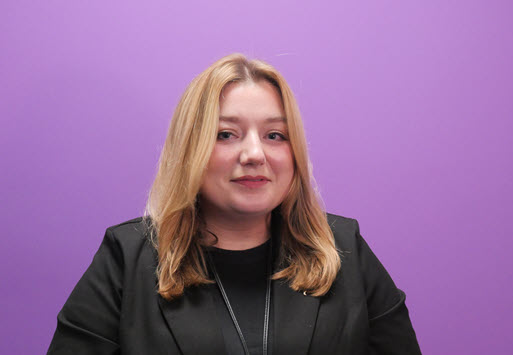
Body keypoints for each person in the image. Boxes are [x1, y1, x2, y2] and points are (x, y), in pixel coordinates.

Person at [47, 54, 422, 355]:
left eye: (275, 135)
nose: (255, 153)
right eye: (226, 135)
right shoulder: (126, 258)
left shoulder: (346, 248)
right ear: (189, 151)